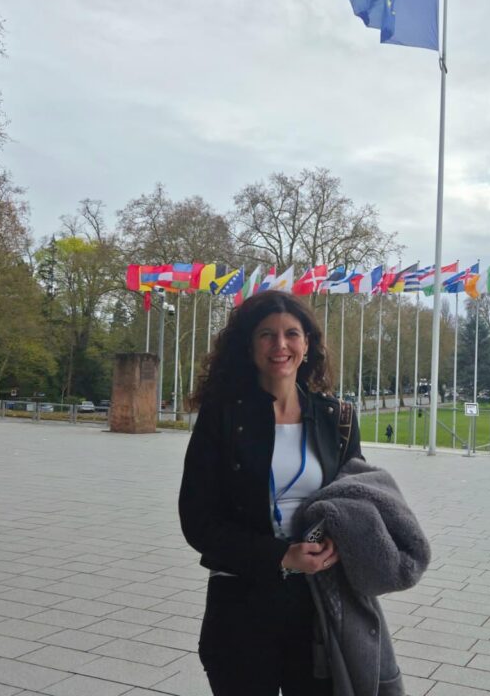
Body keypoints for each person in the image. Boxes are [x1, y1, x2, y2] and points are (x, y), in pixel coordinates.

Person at [179, 291, 361, 696]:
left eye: (291, 333)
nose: (280, 345)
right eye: (267, 334)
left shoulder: (337, 419)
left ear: (307, 344)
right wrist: (279, 555)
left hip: (317, 604)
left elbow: (356, 504)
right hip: (241, 603)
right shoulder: (223, 416)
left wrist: (338, 541)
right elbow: (197, 521)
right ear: (249, 345)